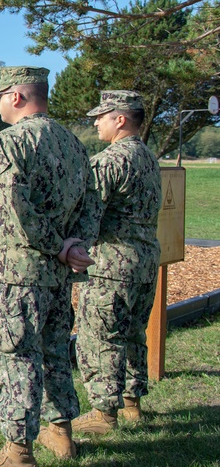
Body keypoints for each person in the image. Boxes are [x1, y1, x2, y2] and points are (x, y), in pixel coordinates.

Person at [0, 66, 98, 467]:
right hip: (58, 274)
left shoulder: (10, 142)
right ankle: (60, 431)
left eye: (1, 95)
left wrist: (57, 246)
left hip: (19, 271)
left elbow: (13, 209)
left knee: (14, 358)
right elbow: (92, 205)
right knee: (54, 352)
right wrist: (74, 245)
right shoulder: (73, 144)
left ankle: (18, 453)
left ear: (20, 96)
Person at [73, 91, 161, 433]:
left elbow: (88, 218)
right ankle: (131, 403)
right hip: (144, 261)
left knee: (101, 335)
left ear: (120, 119)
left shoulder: (109, 161)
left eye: (102, 116)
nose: (96, 122)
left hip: (112, 264)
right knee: (133, 333)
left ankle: (103, 412)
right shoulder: (149, 157)